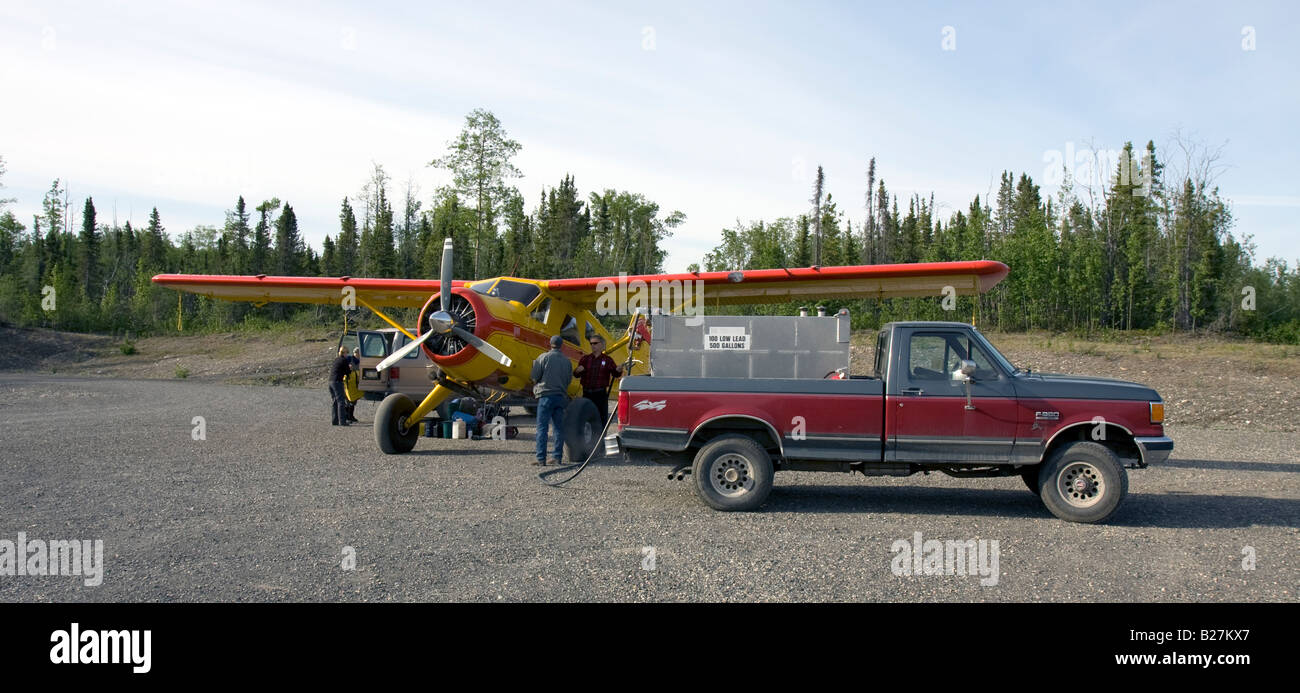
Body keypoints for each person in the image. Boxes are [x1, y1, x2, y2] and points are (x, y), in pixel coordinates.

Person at [529, 335, 573, 465]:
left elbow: (534, 377)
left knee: (542, 428)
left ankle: (541, 458)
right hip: (560, 396)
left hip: (545, 396)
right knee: (558, 428)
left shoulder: (543, 357)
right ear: (561, 345)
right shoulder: (567, 361)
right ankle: (557, 457)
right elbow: (568, 380)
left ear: (550, 344)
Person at [574, 335, 622, 425]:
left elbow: (615, 374)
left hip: (600, 395)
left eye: (595, 343)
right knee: (585, 418)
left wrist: (618, 371)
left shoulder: (608, 360)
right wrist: (576, 371)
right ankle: (587, 438)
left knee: (601, 419)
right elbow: (576, 375)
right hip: (586, 394)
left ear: (602, 345)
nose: (592, 345)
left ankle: (601, 438)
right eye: (591, 343)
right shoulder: (585, 359)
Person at [329, 346, 352, 426]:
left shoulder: (336, 359)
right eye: (347, 353)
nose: (347, 354)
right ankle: (342, 421)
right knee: (341, 401)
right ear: (344, 353)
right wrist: (350, 368)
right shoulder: (344, 360)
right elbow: (348, 372)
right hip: (337, 382)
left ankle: (334, 421)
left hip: (331, 382)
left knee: (335, 401)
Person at [344, 347, 362, 423]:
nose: (357, 354)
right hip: (349, 383)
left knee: (354, 400)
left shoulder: (360, 361)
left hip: (356, 383)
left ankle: (351, 416)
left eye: (358, 353)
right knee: (348, 400)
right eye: (356, 353)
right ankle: (347, 416)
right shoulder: (349, 358)